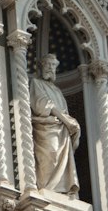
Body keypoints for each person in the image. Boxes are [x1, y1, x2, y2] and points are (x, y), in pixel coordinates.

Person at [30, 54, 80, 196]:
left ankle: (62, 190)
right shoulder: (36, 83)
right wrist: (65, 119)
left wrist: (71, 123)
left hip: (61, 129)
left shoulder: (57, 90)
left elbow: (63, 110)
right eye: (48, 65)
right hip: (46, 127)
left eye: (53, 66)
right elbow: (42, 104)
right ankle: (47, 187)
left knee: (61, 158)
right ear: (41, 66)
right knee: (51, 154)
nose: (50, 68)